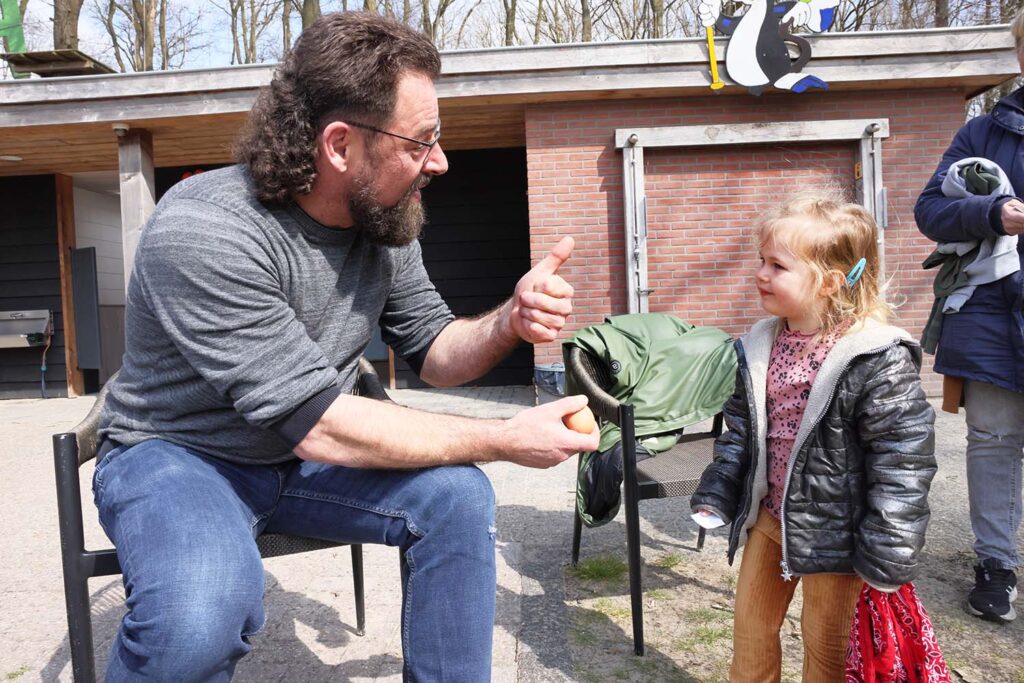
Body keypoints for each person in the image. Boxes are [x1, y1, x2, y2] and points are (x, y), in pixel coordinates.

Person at [93, 11, 599, 682]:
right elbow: (323, 426)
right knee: (196, 616)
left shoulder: (384, 222)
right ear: (339, 145)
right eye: (421, 141)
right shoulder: (207, 232)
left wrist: (510, 317)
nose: (439, 161)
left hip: (295, 453)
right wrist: (506, 435)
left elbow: (437, 349)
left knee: (456, 497)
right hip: (180, 453)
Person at [690, 193, 936, 682]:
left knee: (827, 649)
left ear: (828, 281)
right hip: (770, 520)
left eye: (777, 265)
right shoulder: (760, 344)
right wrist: (718, 491)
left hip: (838, 536)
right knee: (751, 632)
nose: (760, 274)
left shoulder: (876, 358)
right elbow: (740, 432)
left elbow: (903, 460)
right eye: (761, 261)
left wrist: (889, 546)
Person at [913, 10, 1024, 624]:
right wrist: (993, 214)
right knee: (994, 440)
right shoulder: (984, 132)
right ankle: (997, 565)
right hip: (992, 314)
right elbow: (929, 211)